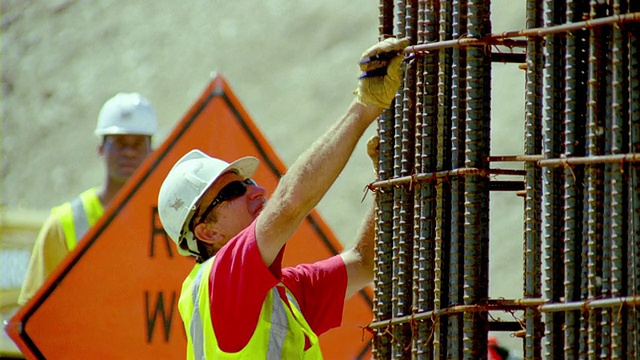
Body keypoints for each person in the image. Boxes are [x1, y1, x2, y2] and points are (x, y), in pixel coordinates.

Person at [157, 37, 409, 359]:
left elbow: (365, 261)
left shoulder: (282, 295)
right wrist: (364, 107)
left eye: (247, 181)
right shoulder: (218, 282)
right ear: (207, 232)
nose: (257, 190)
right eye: (234, 191)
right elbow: (290, 203)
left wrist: (386, 184)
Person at [18, 92, 158, 305]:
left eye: (138, 143)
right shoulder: (64, 225)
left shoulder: (169, 222)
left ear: (153, 151)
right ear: (101, 148)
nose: (129, 152)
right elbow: (33, 315)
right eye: (119, 142)